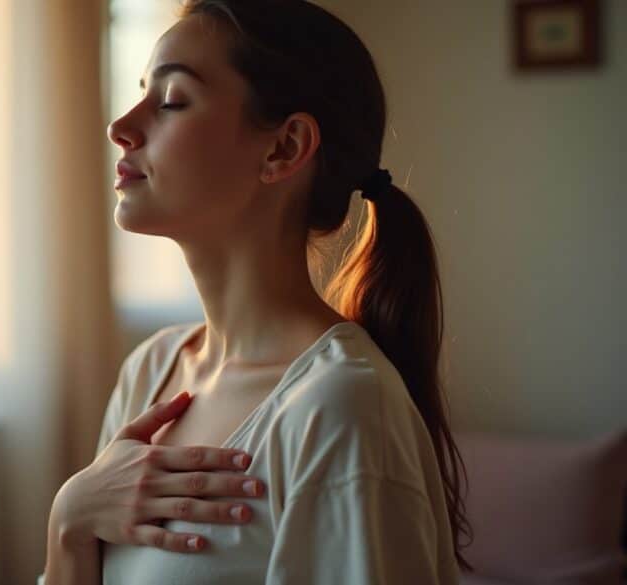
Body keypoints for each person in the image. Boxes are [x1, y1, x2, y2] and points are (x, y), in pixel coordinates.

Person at [41, 1, 473, 583]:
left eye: (171, 100)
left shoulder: (342, 408)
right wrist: (69, 521)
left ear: (285, 148)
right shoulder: (150, 373)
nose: (121, 126)